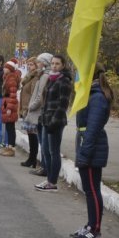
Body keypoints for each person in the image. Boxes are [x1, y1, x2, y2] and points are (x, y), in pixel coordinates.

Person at [71, 63, 113, 238]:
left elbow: (92, 129)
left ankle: (95, 230)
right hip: (87, 145)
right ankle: (90, 225)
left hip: (91, 148)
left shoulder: (97, 97)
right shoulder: (91, 94)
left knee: (93, 191)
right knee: (89, 190)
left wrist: (84, 154)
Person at [34, 54, 73, 192]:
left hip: (56, 122)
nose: (54, 66)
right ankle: (49, 179)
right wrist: (41, 118)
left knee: (53, 151)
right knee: (45, 151)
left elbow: (63, 105)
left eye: (57, 64)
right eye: (52, 63)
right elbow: (45, 102)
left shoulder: (64, 81)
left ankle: (52, 182)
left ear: (63, 65)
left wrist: (53, 122)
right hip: (46, 120)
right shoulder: (51, 78)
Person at [19, 57, 40, 167]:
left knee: (33, 135)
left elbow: (33, 94)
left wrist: (29, 108)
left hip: (30, 109)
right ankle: (31, 158)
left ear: (36, 65)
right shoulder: (29, 77)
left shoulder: (35, 78)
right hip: (25, 108)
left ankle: (33, 159)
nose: (29, 66)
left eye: (31, 64)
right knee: (30, 134)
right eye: (28, 64)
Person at [0, 59, 21, 156]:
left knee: (10, 127)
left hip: (9, 103)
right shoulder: (7, 77)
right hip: (6, 101)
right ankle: (8, 146)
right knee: (8, 126)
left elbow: (13, 94)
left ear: (10, 69)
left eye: (6, 67)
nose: (4, 69)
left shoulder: (11, 78)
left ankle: (11, 148)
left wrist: (9, 108)